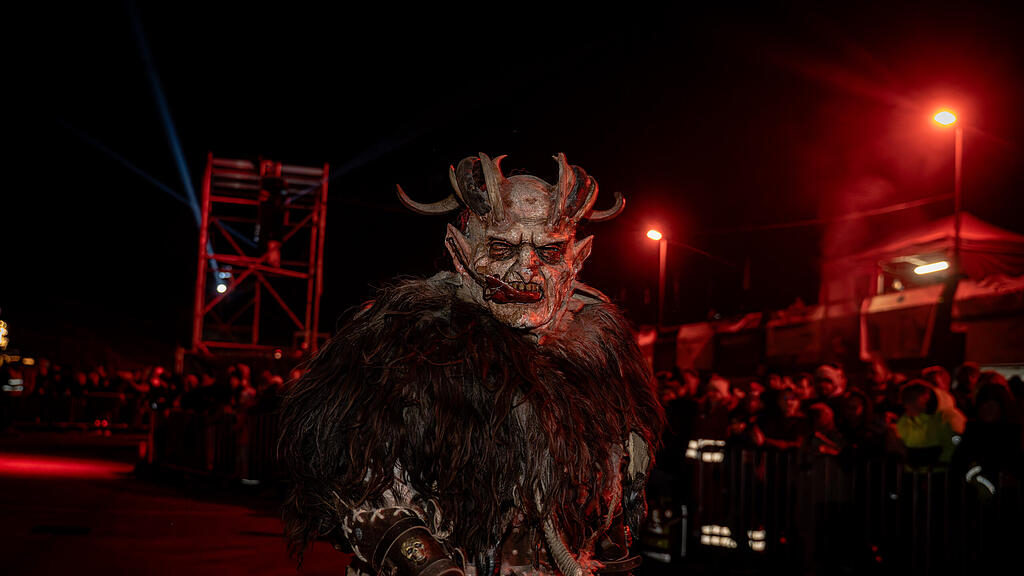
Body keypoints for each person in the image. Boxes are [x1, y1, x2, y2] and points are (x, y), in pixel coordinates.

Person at [279, 153, 664, 576]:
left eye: (549, 250)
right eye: (502, 248)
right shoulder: (407, 345)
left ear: (578, 257)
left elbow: (612, 503)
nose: (526, 270)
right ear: (460, 254)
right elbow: (357, 488)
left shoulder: (602, 358)